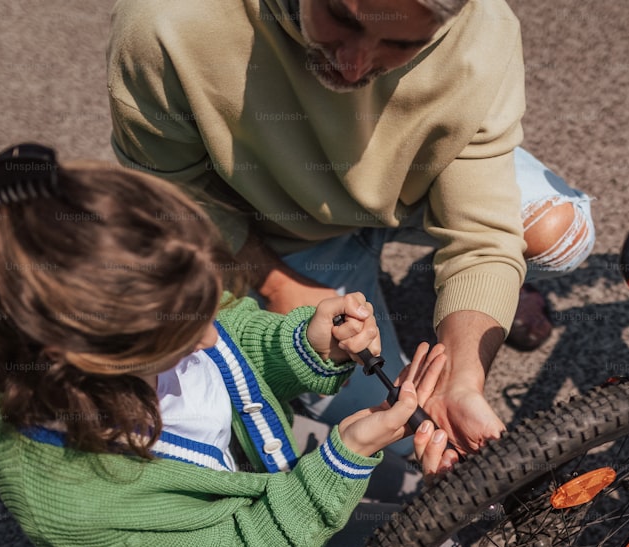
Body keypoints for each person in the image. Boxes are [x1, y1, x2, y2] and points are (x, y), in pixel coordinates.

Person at [0, 143, 454, 547]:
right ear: (87, 354)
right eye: (183, 336)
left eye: (209, 300)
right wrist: (336, 465)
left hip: (250, 456)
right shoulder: (69, 498)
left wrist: (305, 343)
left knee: (391, 483)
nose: (211, 339)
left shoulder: (151, 307)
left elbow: (232, 332)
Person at [106, 0, 596, 455]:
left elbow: (482, 232)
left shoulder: (484, 30)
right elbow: (167, 195)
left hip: (409, 188)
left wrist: (463, 373)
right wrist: (278, 284)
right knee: (397, 436)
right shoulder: (168, 20)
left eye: (401, 44)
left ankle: (459, 297)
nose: (354, 64)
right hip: (272, 232)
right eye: (342, 17)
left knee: (561, 235)